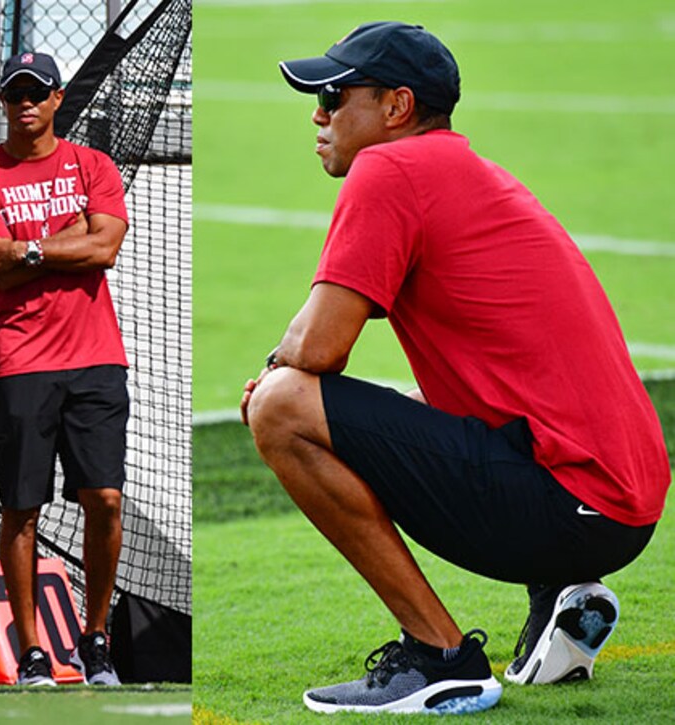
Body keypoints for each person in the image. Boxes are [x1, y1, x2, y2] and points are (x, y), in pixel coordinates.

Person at [241, 21, 670, 715]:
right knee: (413, 396)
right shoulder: (465, 170)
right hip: (619, 501)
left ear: (396, 107)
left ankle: (441, 656)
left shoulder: (390, 169)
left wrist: (271, 373)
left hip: (572, 500)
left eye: (334, 95)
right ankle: (563, 590)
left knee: (283, 405)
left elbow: (318, 349)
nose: (318, 115)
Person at [0, 51, 129, 687]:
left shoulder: (93, 164)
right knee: (22, 508)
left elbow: (104, 247)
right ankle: (31, 651)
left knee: (104, 499)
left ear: (57, 99)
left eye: (37, 92)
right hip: (19, 360)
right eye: (13, 94)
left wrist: (27, 248)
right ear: (3, 104)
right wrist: (68, 240)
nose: (25, 103)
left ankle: (97, 638)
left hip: (96, 358)